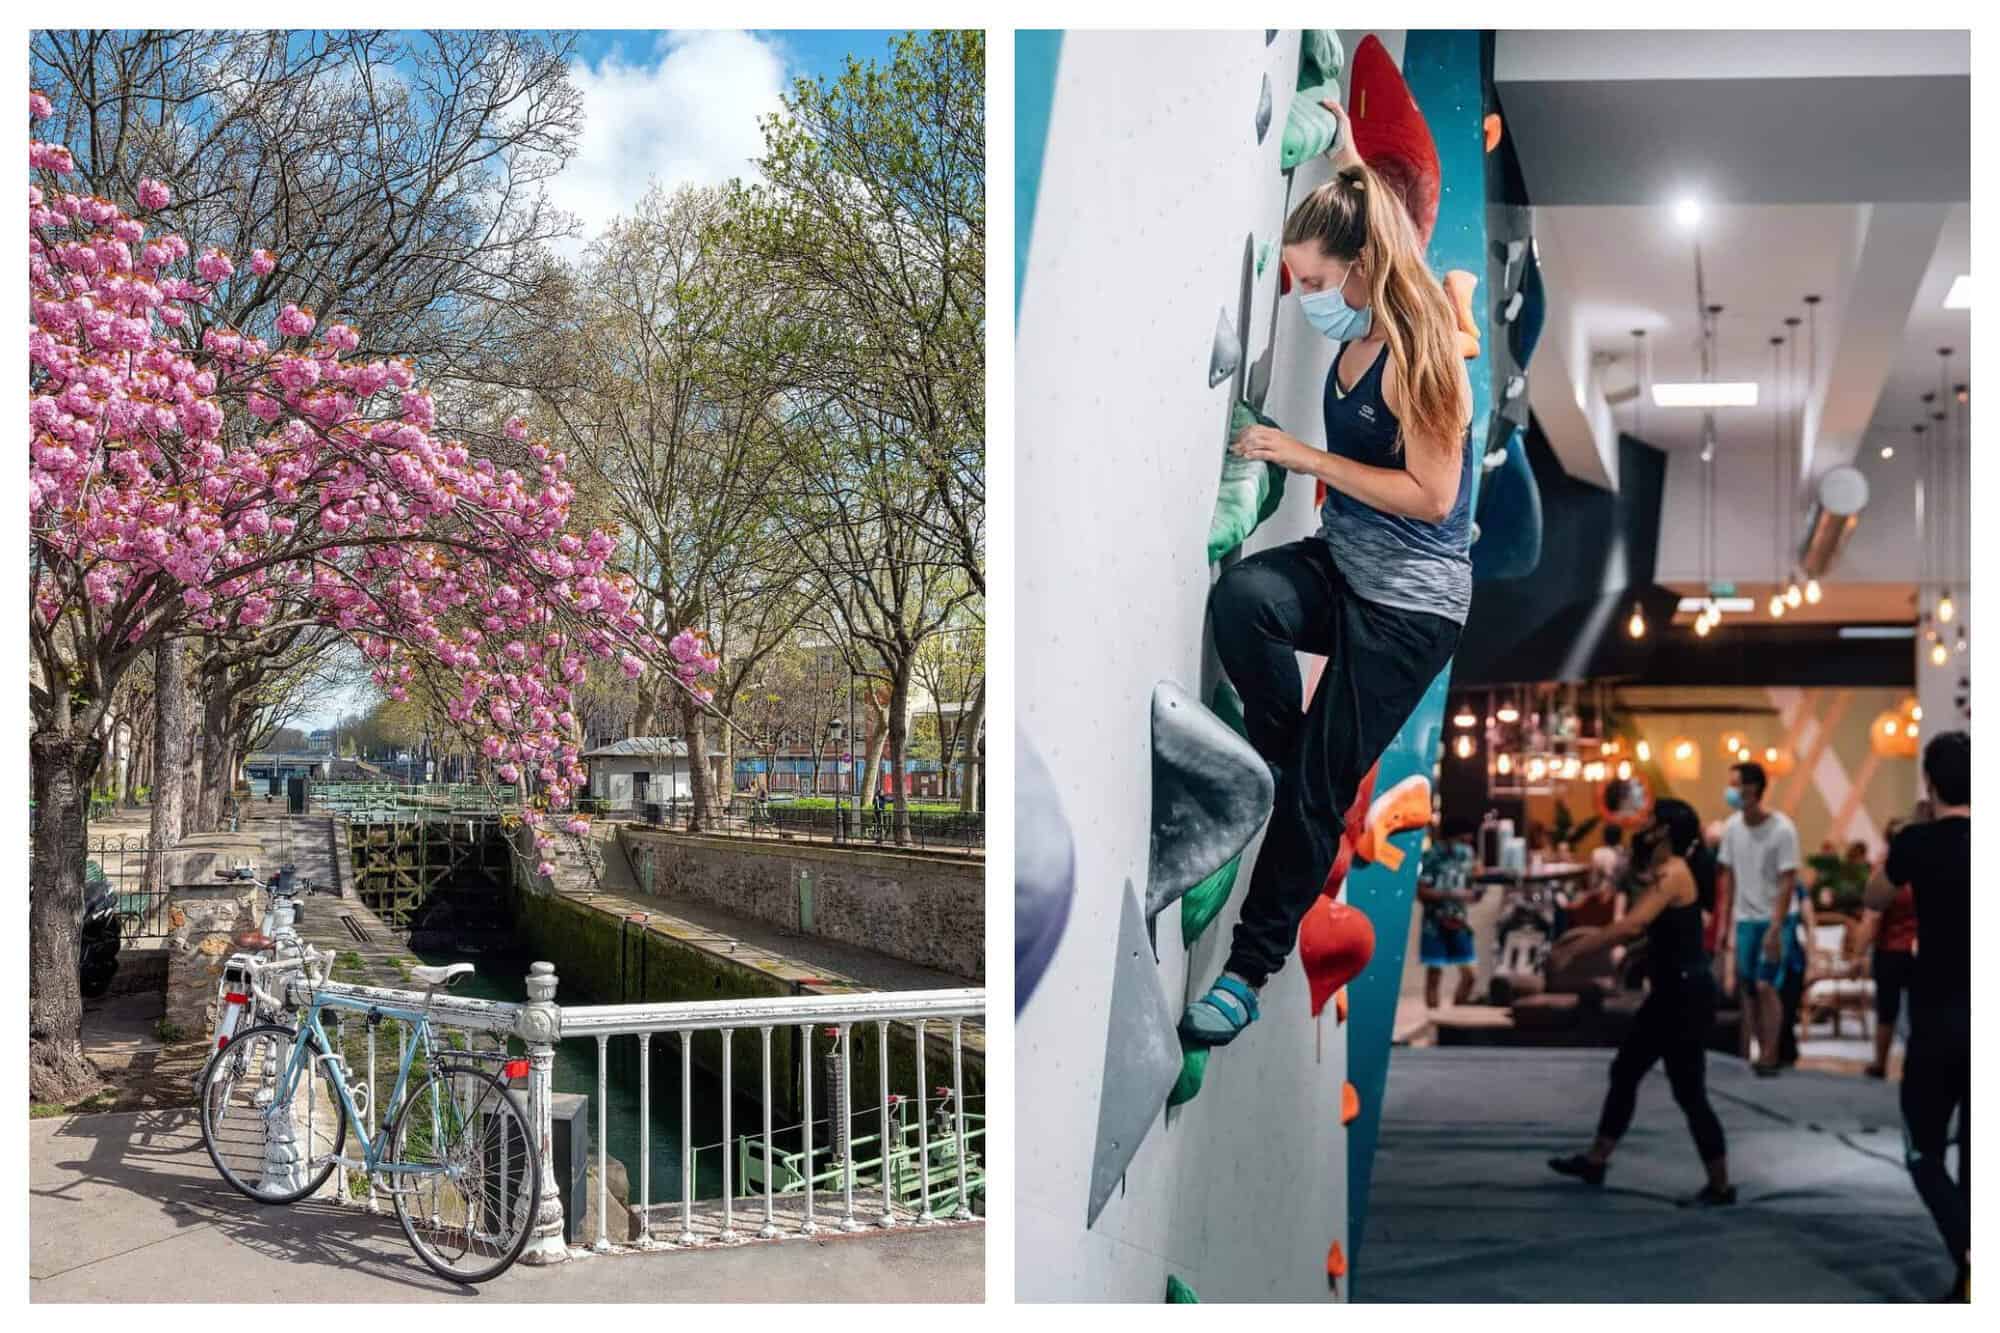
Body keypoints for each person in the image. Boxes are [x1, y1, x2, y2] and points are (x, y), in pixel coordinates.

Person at [1178, 100, 1475, 1048]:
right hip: (1344, 566)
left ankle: (1243, 972)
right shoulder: (1366, 283)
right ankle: (1281, 760)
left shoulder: (1421, 356)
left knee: (1320, 786)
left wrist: (1303, 457)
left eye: (1307, 279)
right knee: (1245, 601)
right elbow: (1365, 193)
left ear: (1355, 272)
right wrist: (1343, 140)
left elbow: (1431, 496)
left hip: (1408, 614)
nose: (1299, 292)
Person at [1546, 798, 1734, 1206]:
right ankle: (1596, 1161)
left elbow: (1632, 924)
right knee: (1627, 1071)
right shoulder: (1673, 872)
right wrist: (1637, 953)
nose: (1642, 825)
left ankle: (1720, 1186)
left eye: (1650, 820)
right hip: (1673, 992)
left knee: (1688, 1091)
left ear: (1664, 830)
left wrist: (1575, 951)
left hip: (1683, 997)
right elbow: (1668, 932)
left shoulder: (1674, 873)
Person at [1877, 732, 1969, 1301]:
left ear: (1930, 783)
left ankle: (1970, 1256)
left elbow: (1870, 898)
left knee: (1923, 1151)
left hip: (1937, 1017)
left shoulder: (1914, 841)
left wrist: (1914, 832)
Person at [1716, 760, 1801, 1075]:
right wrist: (1726, 928)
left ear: (1752, 789)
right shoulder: (1732, 828)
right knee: (1748, 986)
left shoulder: (1782, 829)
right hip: (1745, 919)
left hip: (1776, 919)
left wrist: (1776, 928)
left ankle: (1770, 1052)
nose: (1730, 791)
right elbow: (1729, 880)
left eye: (1735, 784)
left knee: (1767, 985)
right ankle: (1756, 1049)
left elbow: (1787, 880)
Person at [1850, 817, 1917, 1080]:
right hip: (1919, 950)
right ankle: (1914, 1066)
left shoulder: (1884, 870)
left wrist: (1857, 955)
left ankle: (1880, 1063)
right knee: (1918, 1012)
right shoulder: (1927, 866)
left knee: (1886, 1010)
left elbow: (1872, 916)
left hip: (1889, 948)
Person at [1417, 815, 1482, 1009]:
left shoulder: (1468, 854)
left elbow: (1475, 879)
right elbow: (1422, 892)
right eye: (1462, 839)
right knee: (1435, 973)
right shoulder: (1431, 855)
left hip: (1459, 921)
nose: (1466, 843)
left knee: (1470, 974)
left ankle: (1456, 1014)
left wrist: (1475, 891)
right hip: (1434, 923)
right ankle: (1435, 1019)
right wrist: (1453, 894)